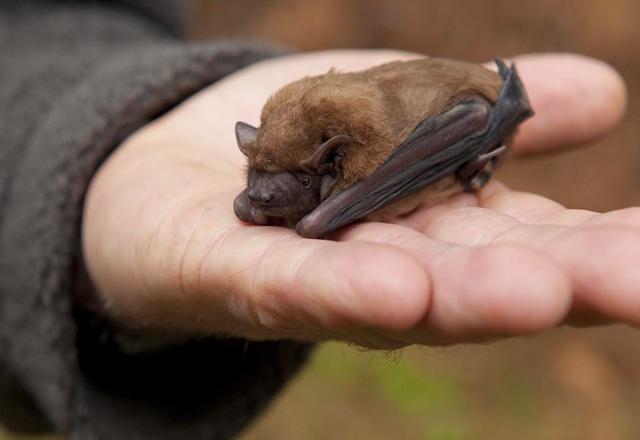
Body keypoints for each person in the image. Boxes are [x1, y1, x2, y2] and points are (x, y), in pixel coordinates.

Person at [1, 1, 635, 439]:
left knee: (316, 226)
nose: (258, 197)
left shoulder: (373, 156)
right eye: (255, 174)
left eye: (289, 185)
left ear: (335, 165)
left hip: (459, 117)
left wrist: (324, 211)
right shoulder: (303, 139)